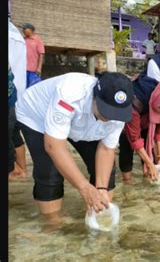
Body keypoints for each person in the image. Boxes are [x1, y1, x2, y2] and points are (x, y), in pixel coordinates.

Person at [15, 72, 134, 219]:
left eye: (115, 113)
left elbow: (106, 149)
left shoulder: (120, 113)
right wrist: (84, 188)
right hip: (36, 115)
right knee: (50, 172)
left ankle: (98, 218)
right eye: (107, 111)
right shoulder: (70, 93)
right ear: (94, 96)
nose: (110, 118)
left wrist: (101, 188)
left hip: (80, 124)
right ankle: (52, 226)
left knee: (106, 174)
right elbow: (54, 146)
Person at [119, 78, 160, 184]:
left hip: (148, 123)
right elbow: (135, 140)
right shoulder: (136, 102)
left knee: (149, 148)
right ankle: (127, 181)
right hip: (129, 122)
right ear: (156, 101)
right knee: (126, 147)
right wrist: (150, 164)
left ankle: (147, 176)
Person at [9, 17, 28, 179]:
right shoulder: (15, 34)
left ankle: (15, 171)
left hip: (11, 95)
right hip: (17, 94)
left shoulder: (11, 35)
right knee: (15, 134)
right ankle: (22, 171)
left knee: (11, 134)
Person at [22, 23, 45, 88]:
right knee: (24, 87)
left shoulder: (38, 40)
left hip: (34, 70)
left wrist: (39, 68)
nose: (23, 30)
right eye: (23, 29)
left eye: (25, 29)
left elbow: (41, 54)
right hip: (23, 69)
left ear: (31, 30)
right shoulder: (23, 40)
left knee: (34, 87)